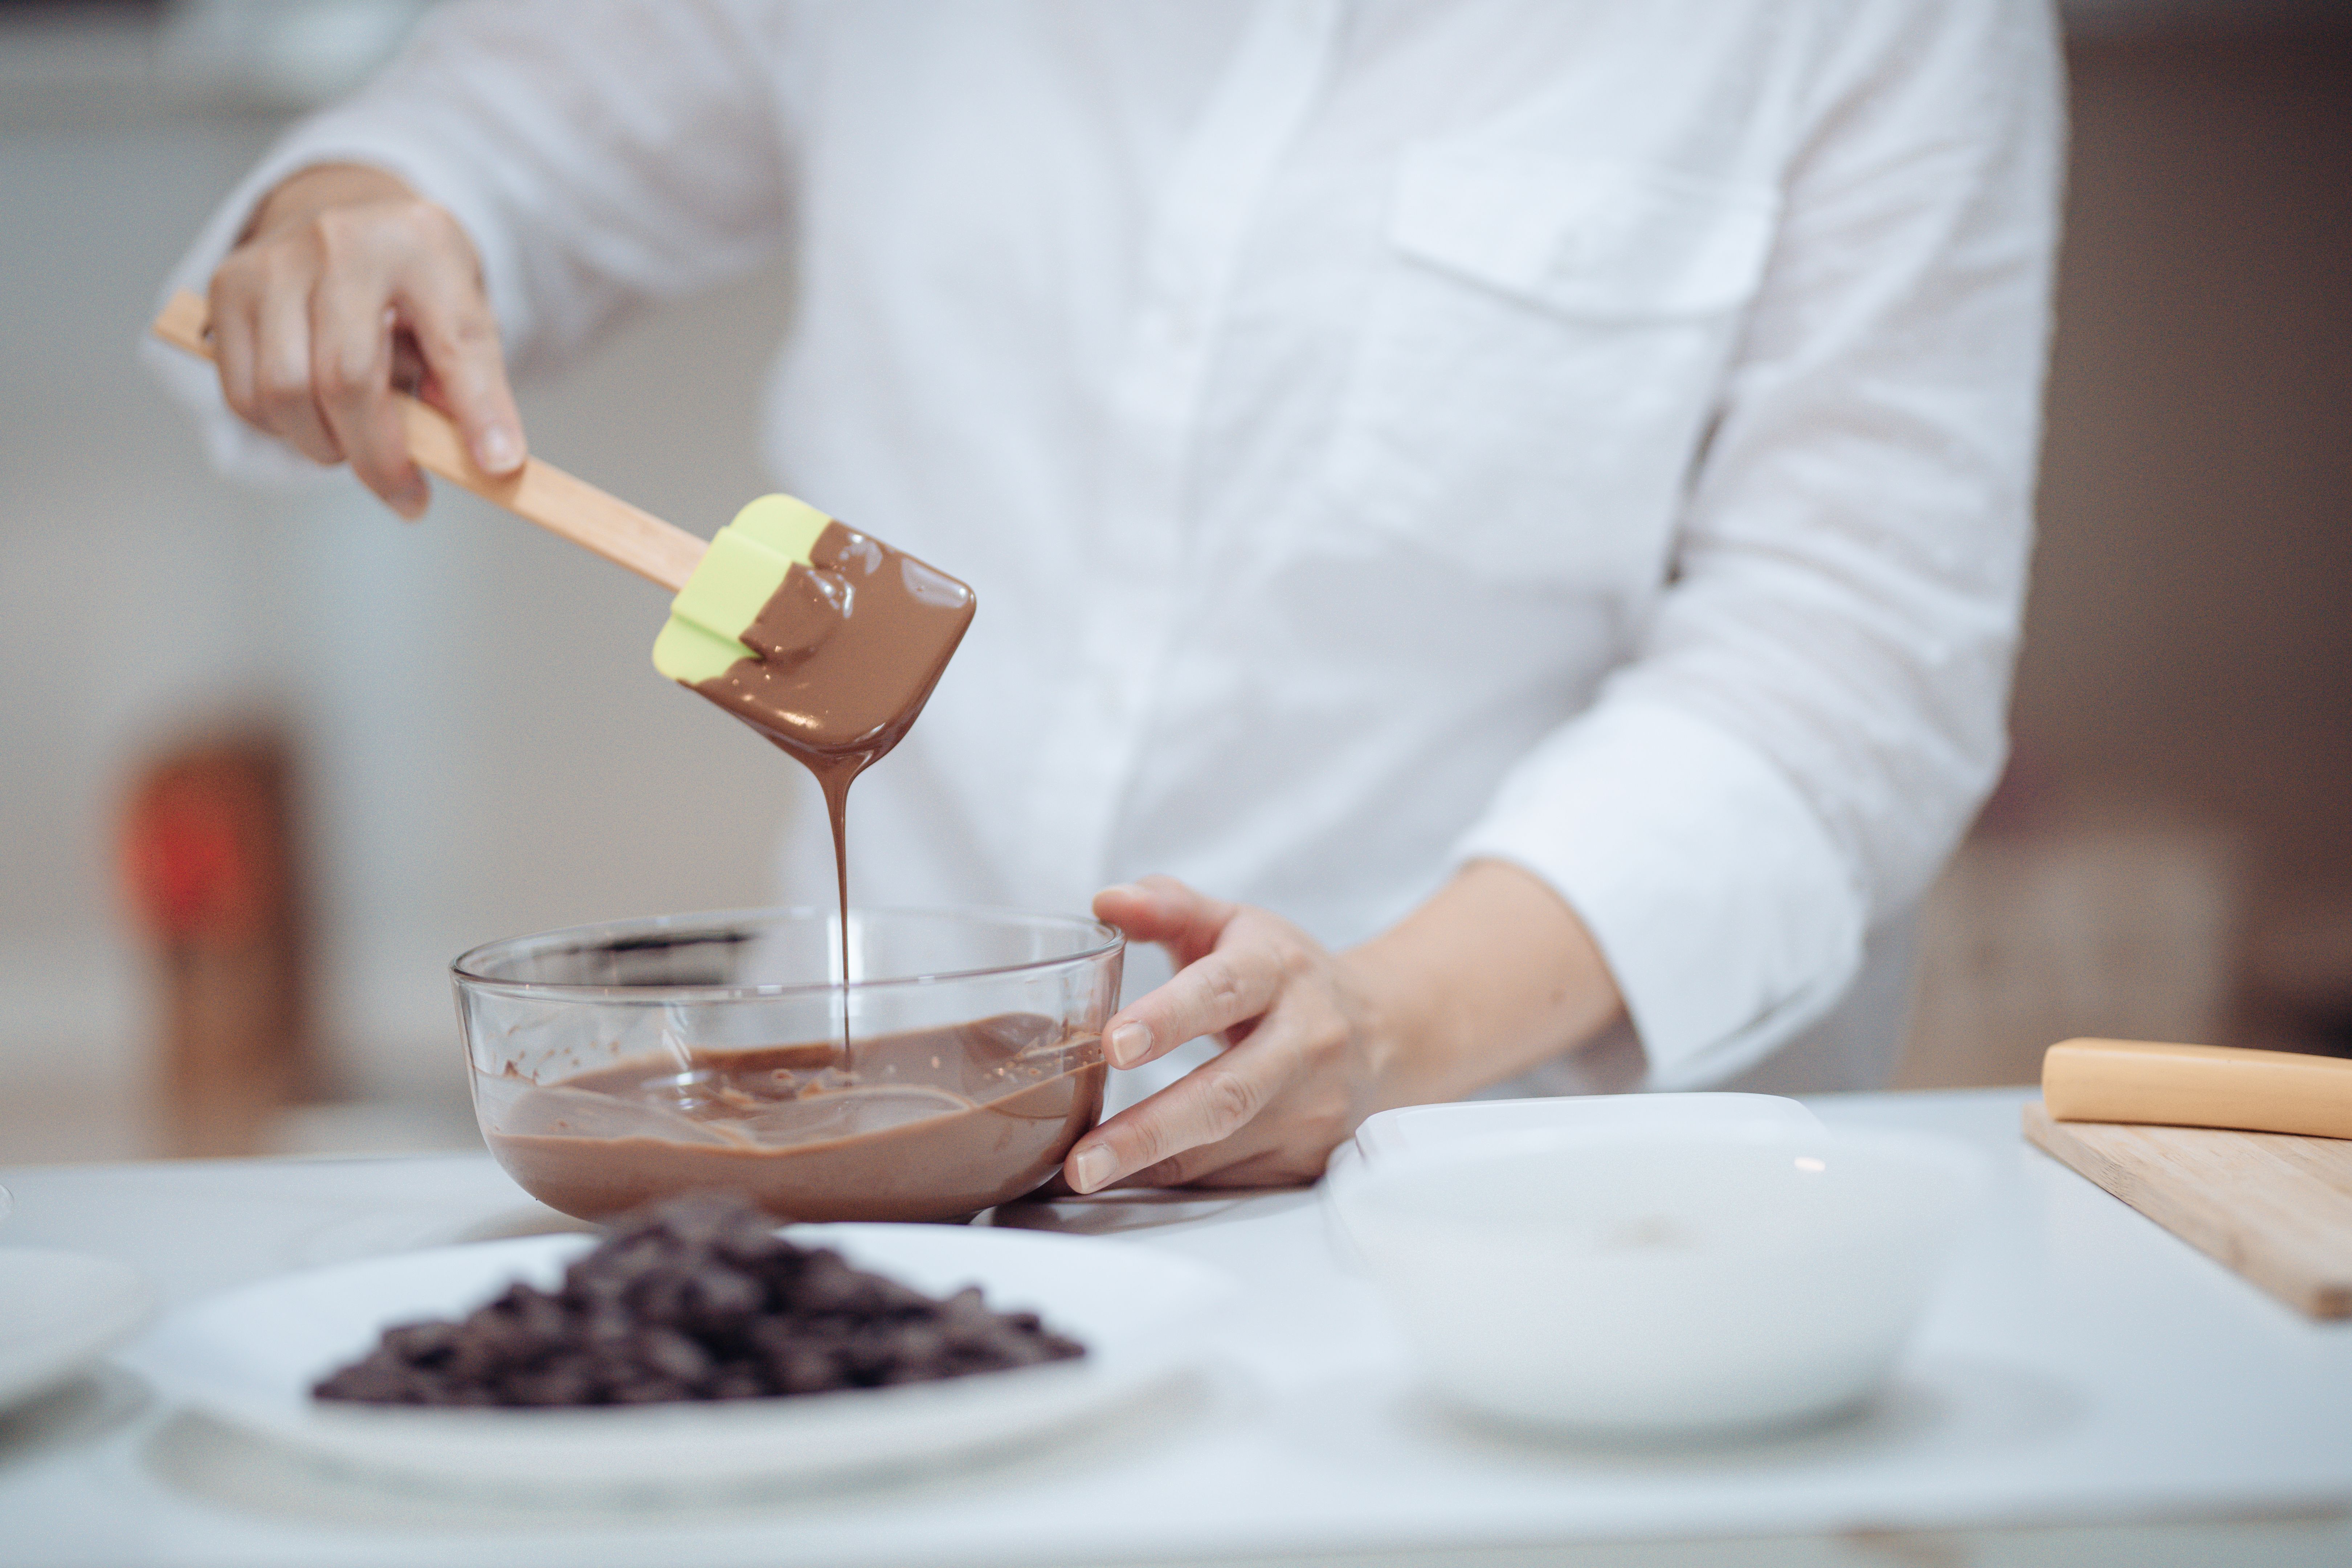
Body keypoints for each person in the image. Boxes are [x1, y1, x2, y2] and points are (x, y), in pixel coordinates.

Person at [151, 0, 2063, 1196]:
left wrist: (1377, 1027)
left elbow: (1849, 674)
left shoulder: (1876, 26)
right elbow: (496, 133)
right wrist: (351, 223)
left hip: (1504, 1205)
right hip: (847, 1172)